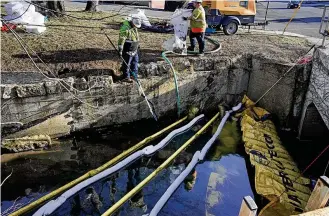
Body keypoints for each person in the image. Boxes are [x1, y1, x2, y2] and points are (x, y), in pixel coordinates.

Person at [118, 15, 141, 83]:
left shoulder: (134, 28)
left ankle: (134, 75)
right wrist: (120, 49)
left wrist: (138, 45)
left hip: (134, 48)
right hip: (128, 49)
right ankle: (126, 77)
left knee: (135, 63)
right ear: (132, 22)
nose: (136, 26)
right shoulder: (125, 28)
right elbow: (121, 40)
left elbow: (136, 37)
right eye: (135, 25)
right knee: (127, 64)